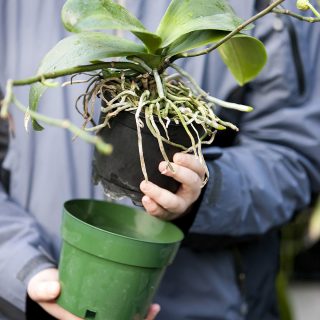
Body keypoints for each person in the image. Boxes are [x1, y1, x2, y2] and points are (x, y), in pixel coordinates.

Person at [1, 0, 320, 319]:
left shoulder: (267, 7)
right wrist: (24, 270)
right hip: (36, 289)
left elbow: (294, 156)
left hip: (204, 305)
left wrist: (206, 193)